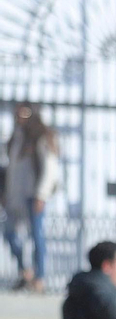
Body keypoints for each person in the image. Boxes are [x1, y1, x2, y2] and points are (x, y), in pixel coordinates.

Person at [4, 103, 60, 292]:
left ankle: (39, 277)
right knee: (9, 233)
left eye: (25, 115)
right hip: (15, 197)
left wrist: (41, 194)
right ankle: (24, 271)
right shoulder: (16, 139)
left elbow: (50, 168)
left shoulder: (42, 137)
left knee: (37, 236)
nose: (21, 119)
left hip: (34, 196)